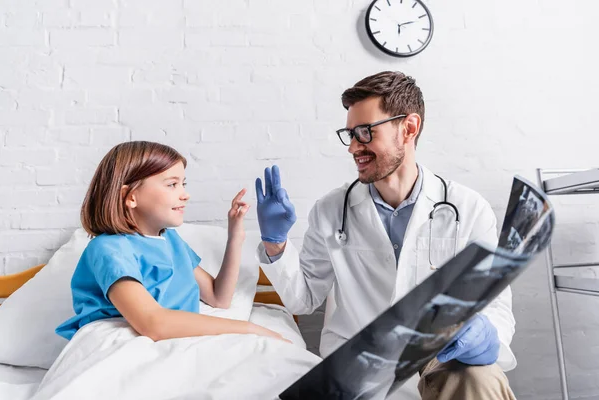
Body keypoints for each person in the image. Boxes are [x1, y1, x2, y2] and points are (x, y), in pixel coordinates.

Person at [254, 71, 516, 399]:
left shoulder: (468, 207)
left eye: (364, 133)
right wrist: (275, 243)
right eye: (349, 134)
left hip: (439, 355)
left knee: (479, 379)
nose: (353, 147)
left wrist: (487, 336)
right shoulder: (331, 210)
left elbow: (496, 304)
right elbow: (303, 299)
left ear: (408, 128)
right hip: (359, 359)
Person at [56, 141, 287, 343]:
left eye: (183, 184)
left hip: (174, 340)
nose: (184, 194)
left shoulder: (171, 241)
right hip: (125, 342)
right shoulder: (109, 248)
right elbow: (153, 323)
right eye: (172, 184)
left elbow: (219, 298)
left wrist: (236, 236)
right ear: (131, 197)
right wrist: (248, 329)